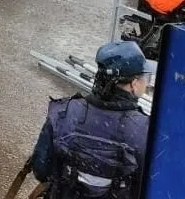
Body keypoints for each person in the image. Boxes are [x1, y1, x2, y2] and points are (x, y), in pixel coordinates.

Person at [30, 40, 152, 198]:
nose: (147, 82)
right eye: (146, 78)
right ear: (134, 84)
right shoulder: (146, 131)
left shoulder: (64, 111)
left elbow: (41, 169)